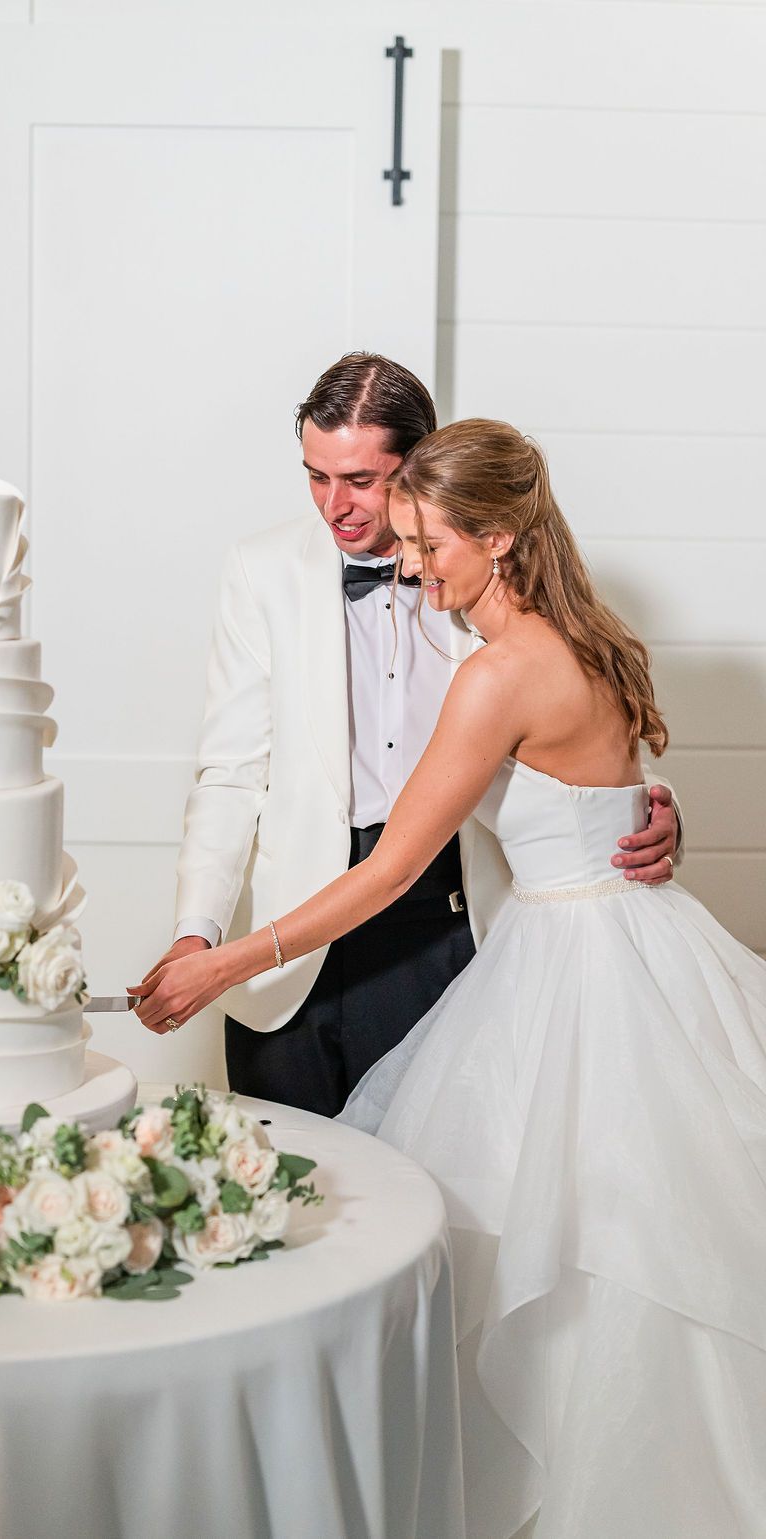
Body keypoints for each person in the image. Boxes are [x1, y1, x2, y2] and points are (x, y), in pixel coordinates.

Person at [135, 419, 766, 1537]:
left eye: (429, 543)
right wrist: (646, 809)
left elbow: (388, 870)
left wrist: (223, 958)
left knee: (578, 1245)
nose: (411, 562)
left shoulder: (493, 675)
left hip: (569, 969)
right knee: (618, 1234)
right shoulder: (597, 639)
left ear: (501, 539)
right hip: (639, 944)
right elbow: (605, 789)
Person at [134, 356, 678, 1115]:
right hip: (293, 934)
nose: (336, 505)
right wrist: (199, 933)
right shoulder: (261, 570)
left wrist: (647, 805)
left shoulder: (482, 570)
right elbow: (228, 773)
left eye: (360, 479)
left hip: (445, 920)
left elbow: (573, 708)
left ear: (418, 463)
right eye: (316, 476)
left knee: (433, 1186)